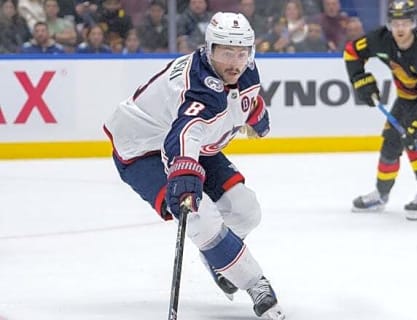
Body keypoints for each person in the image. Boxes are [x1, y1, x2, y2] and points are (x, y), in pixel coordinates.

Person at [103, 12, 284, 320]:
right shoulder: (197, 91)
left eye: (241, 53)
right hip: (142, 149)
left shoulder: (244, 70)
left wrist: (256, 116)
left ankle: (220, 259)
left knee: (245, 209)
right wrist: (185, 177)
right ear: (209, 49)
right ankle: (255, 284)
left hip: (192, 140)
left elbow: (246, 98)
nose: (235, 62)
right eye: (226, 52)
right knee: (199, 216)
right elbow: (183, 134)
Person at [343, 0, 417, 220]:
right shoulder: (380, 40)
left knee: (414, 138)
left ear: (414, 23)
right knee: (391, 142)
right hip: (408, 96)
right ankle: (381, 194)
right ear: (389, 24)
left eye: (406, 22)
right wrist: (360, 80)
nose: (401, 28)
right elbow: (351, 52)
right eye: (396, 23)